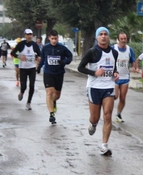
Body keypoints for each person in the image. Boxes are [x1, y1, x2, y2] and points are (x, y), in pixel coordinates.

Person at [77, 27, 119, 156]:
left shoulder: (114, 52)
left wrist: (115, 73)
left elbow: (113, 67)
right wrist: (94, 72)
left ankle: (104, 145)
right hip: (94, 87)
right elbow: (80, 68)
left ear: (108, 37)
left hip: (108, 86)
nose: (103, 36)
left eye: (105, 34)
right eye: (100, 34)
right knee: (95, 117)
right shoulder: (92, 52)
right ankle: (93, 124)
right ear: (97, 37)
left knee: (107, 115)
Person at [37, 30, 73, 124]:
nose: (54, 41)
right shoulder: (45, 48)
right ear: (49, 38)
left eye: (55, 39)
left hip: (59, 73)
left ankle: (54, 102)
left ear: (58, 38)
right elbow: (42, 58)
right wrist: (39, 67)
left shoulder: (62, 48)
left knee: (57, 95)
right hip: (48, 73)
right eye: (52, 39)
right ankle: (51, 114)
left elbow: (70, 57)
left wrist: (64, 62)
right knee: (49, 93)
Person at [11, 29, 41, 110]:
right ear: (24, 35)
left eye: (31, 34)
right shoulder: (21, 44)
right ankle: (21, 92)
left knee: (32, 85)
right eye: (27, 34)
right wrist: (20, 56)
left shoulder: (34, 45)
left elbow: (39, 54)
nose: (29, 36)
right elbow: (13, 53)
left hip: (32, 68)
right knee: (23, 86)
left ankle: (29, 102)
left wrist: (38, 58)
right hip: (23, 68)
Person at [112, 32, 137, 122]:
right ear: (118, 39)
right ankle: (108, 111)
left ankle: (118, 114)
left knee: (122, 98)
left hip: (125, 76)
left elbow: (133, 60)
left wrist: (134, 67)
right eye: (121, 39)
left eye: (124, 39)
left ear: (127, 39)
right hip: (114, 76)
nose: (123, 40)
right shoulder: (113, 48)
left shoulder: (130, 50)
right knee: (115, 96)